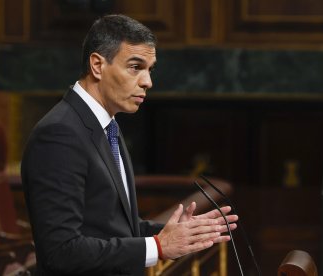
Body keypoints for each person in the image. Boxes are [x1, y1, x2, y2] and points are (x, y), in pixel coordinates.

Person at [21, 14, 238, 276]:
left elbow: (110, 227)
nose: (148, 82)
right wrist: (158, 247)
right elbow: (61, 251)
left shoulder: (108, 125)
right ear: (98, 65)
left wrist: (174, 233)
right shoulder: (59, 134)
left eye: (150, 69)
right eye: (135, 67)